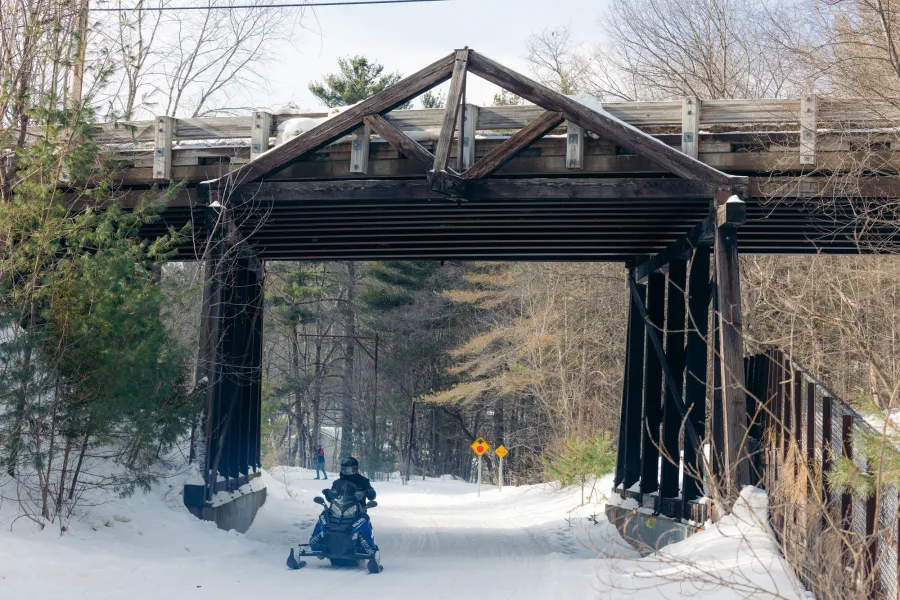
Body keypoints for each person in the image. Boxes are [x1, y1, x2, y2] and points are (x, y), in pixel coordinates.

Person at [308, 457, 377, 554]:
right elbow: (332, 498)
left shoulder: (363, 481)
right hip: (339, 510)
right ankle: (315, 543)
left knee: (364, 519)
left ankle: (370, 548)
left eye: (348, 469)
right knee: (323, 516)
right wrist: (328, 494)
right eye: (344, 469)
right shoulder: (337, 483)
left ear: (355, 469)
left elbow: (372, 495)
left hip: (357, 511)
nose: (346, 472)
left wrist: (369, 492)